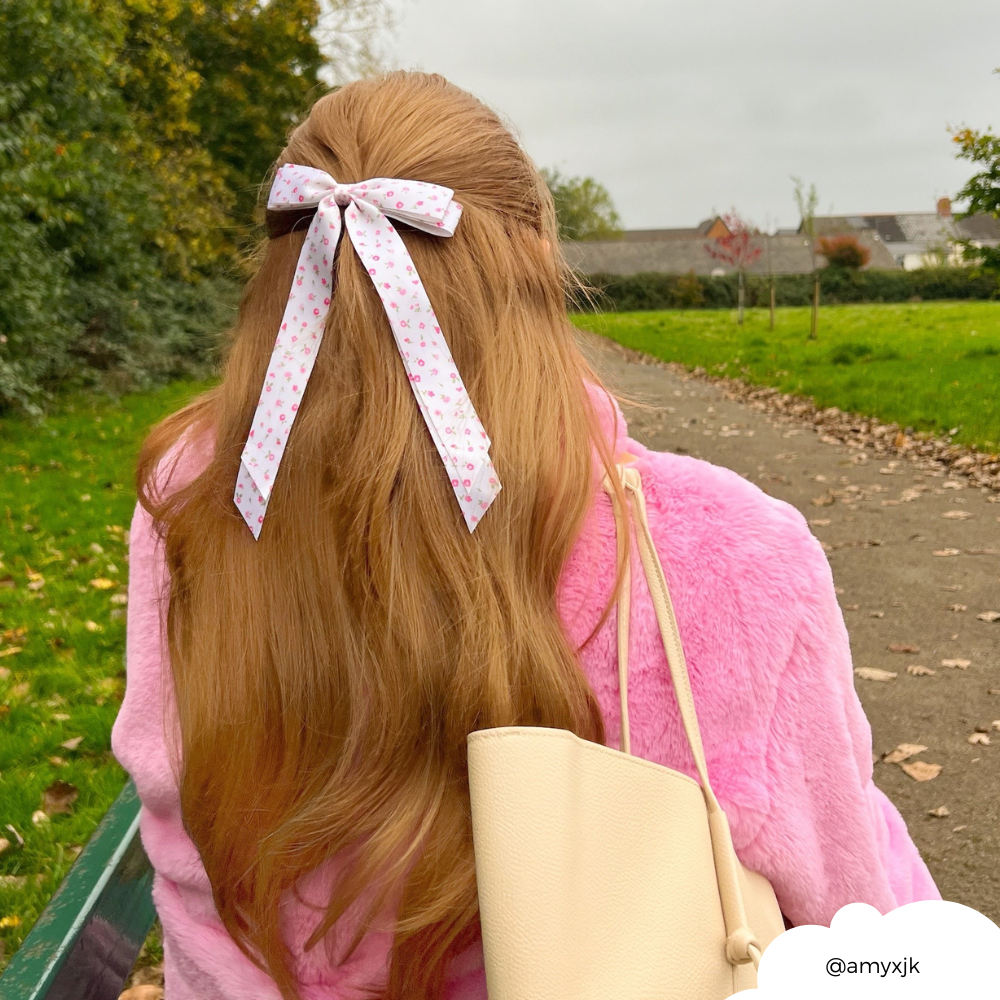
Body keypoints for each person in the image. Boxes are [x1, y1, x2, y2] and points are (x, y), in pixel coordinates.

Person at [112, 71, 939, 1000]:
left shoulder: (197, 498)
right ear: (539, 254)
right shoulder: (732, 556)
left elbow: (172, 806)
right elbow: (855, 917)